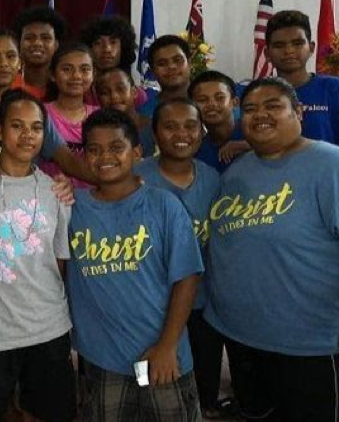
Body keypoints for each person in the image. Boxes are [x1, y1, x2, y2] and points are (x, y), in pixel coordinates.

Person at [205, 77, 339, 420]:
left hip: (309, 345)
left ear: (299, 112)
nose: (259, 115)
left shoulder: (329, 164)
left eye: (272, 106)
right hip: (240, 335)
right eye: (249, 109)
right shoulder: (236, 171)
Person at [67, 109, 203, 420]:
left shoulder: (163, 205)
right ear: (85, 156)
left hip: (162, 355)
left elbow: (186, 278)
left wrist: (167, 346)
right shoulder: (72, 208)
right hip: (103, 359)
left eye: (116, 147)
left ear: (137, 153)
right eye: (94, 149)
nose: (105, 157)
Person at [0, 90, 76, 422]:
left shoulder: (56, 190)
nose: (28, 135)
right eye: (17, 125)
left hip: (48, 325)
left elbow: (59, 261)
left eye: (36, 127)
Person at [134, 99, 228, 419]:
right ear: (155, 134)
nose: (181, 134)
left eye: (190, 126)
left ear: (201, 132)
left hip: (203, 303)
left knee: (199, 387)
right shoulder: (135, 178)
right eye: (170, 126)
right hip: (150, 304)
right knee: (151, 378)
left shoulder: (215, 180)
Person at [0, 29, 91, 183]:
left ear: (20, 63)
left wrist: (112, 182)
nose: (3, 63)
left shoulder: (34, 111)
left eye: (11, 56)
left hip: (26, 202)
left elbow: (69, 161)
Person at [264, 9, 339, 144]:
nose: (289, 51)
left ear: (311, 48)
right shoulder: (255, 94)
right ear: (267, 54)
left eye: (297, 43)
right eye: (279, 45)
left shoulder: (334, 89)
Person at [39, 42, 97, 187]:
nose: (76, 76)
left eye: (84, 69)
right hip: (51, 200)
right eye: (67, 69)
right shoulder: (39, 113)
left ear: (93, 74)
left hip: (93, 203)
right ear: (52, 74)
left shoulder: (103, 117)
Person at [79, 15, 148, 107]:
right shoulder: (80, 92)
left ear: (123, 47)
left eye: (113, 42)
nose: (107, 49)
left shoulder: (138, 95)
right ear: (89, 48)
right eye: (98, 43)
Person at [189, 70, 249, 172]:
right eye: (202, 100)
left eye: (220, 98)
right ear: (191, 107)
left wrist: (248, 146)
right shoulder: (198, 152)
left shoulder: (253, 131)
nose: (212, 104)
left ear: (235, 103)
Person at [94, 66, 155, 157]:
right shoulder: (97, 133)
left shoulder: (154, 127)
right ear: (98, 99)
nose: (114, 96)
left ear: (134, 92)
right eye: (105, 92)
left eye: (120, 89)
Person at [11, 5, 67, 100]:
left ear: (56, 45)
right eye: (29, 38)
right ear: (19, 44)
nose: (37, 43)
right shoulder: (7, 84)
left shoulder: (66, 86)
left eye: (45, 38)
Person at [141, 34, 192, 117]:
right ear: (153, 71)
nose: (171, 67)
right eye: (162, 63)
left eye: (177, 60)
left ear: (189, 63)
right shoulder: (145, 114)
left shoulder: (206, 104)